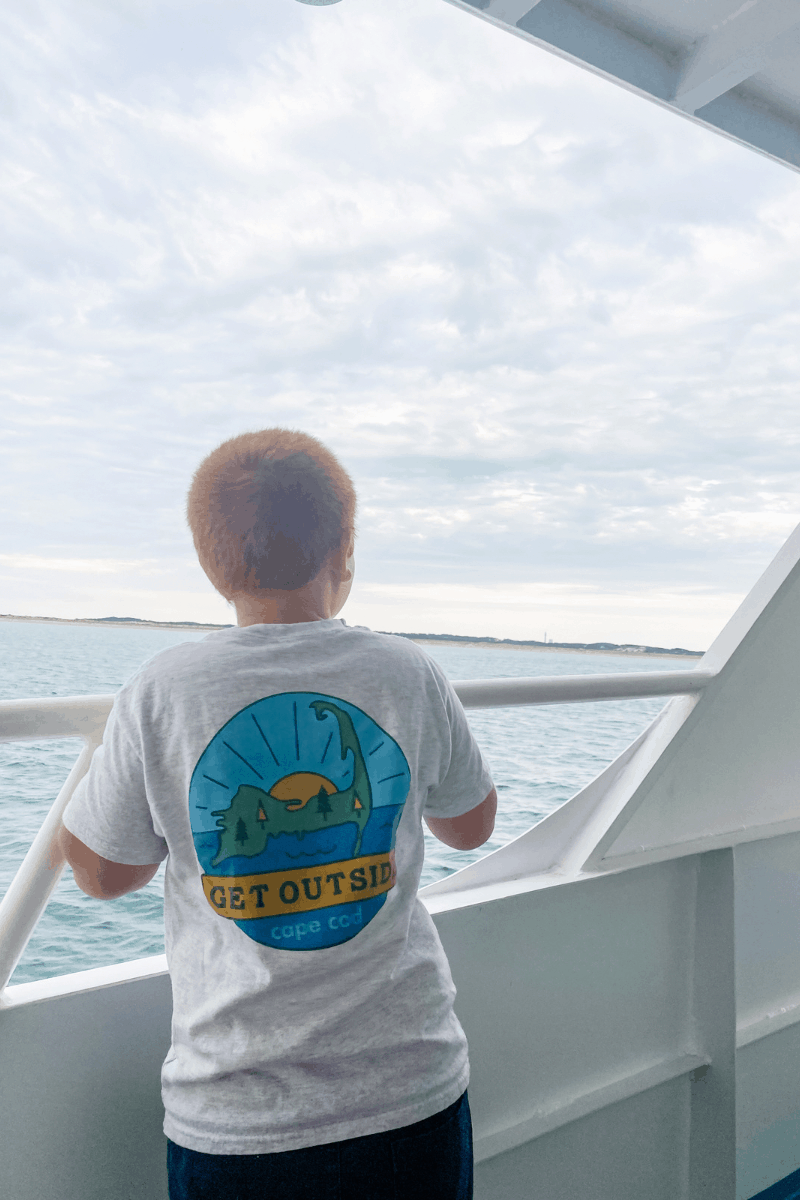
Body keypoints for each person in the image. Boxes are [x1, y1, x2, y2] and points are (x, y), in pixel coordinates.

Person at [59, 428, 497, 1200]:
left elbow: (101, 874)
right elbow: (470, 825)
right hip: (410, 1092)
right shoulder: (407, 670)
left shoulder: (163, 688)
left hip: (235, 1119)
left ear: (209, 562)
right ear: (345, 547)